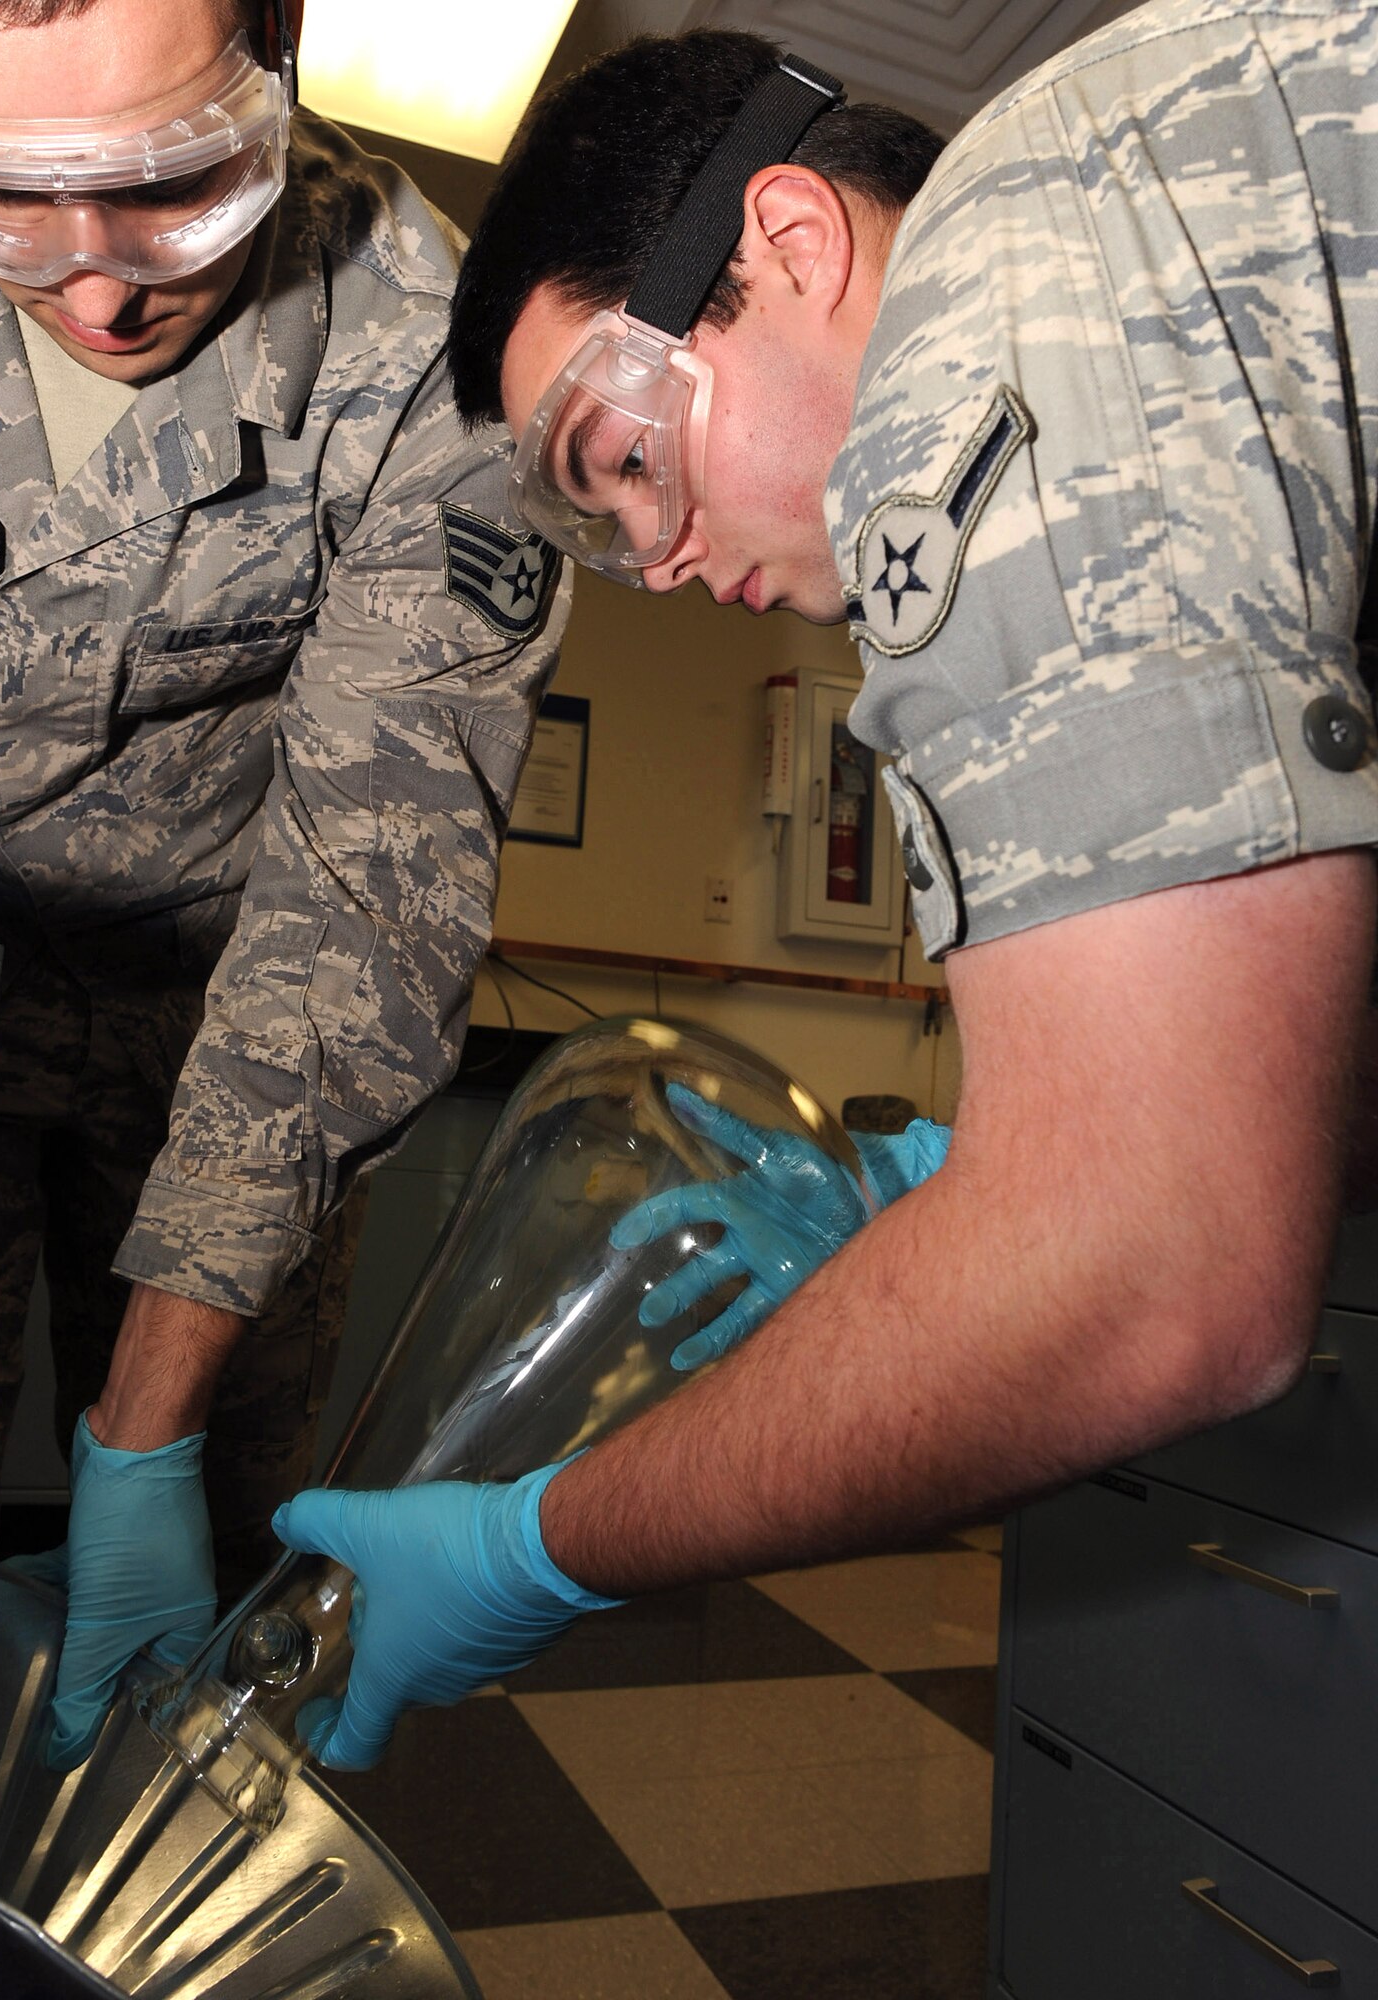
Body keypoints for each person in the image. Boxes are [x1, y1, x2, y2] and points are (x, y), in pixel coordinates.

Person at [270, 3, 1378, 1773]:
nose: (663, 560)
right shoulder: (1158, 249)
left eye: (624, 461)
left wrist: (533, 1547)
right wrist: (946, 1179)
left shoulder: (997, 282)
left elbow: (1165, 1273)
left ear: (788, 240)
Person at [0, 0, 566, 1899]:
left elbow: (362, 894)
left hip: (228, 1015)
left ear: (283, 58)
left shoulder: (422, 350)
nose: (102, 286)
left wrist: (141, 1437)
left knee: (215, 1563)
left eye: (175, 191)